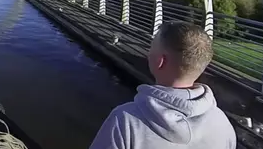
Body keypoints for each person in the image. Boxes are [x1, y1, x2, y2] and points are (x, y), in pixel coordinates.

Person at [89, 21, 236, 149]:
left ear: (160, 61)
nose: (148, 53)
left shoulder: (125, 121)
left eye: (152, 47)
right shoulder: (222, 123)